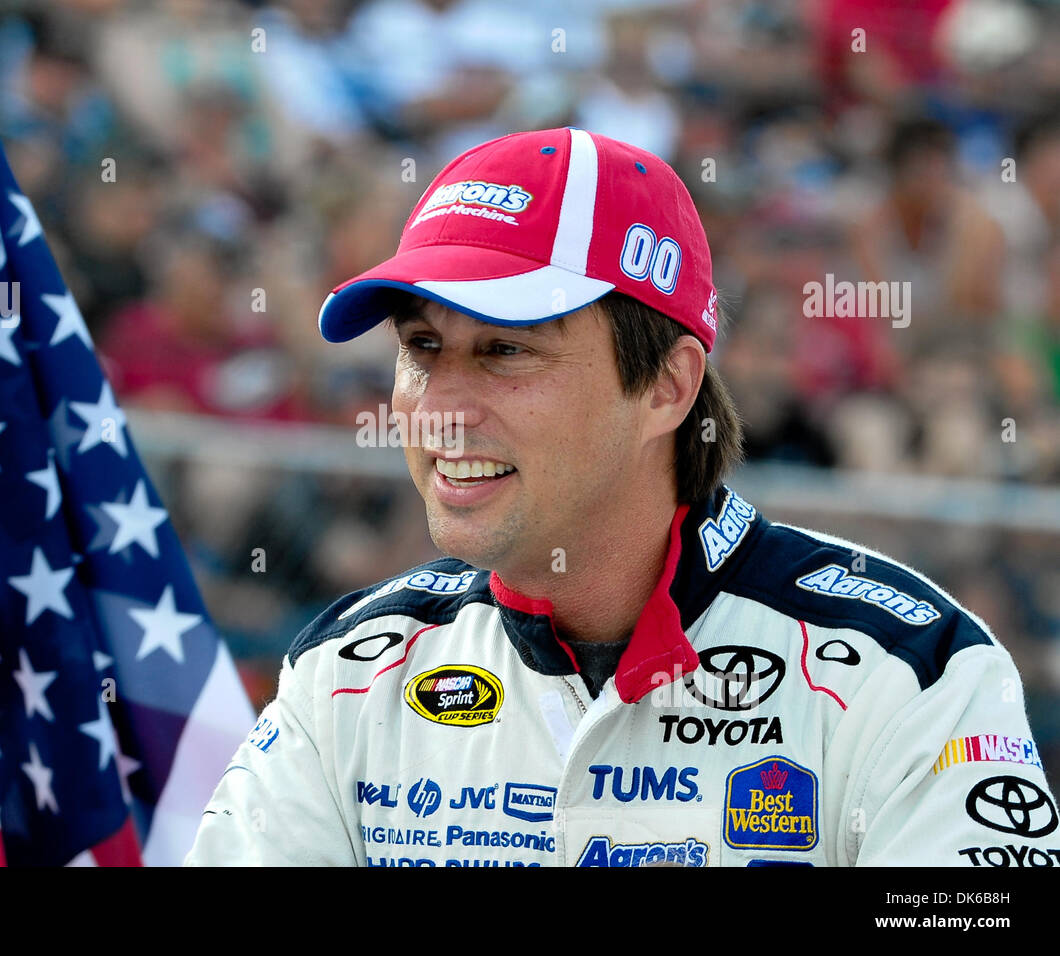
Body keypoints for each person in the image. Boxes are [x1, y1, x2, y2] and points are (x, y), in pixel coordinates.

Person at [187, 127, 1056, 867]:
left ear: (668, 388)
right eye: (422, 346)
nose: (438, 410)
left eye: (504, 352)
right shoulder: (343, 677)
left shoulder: (914, 671)